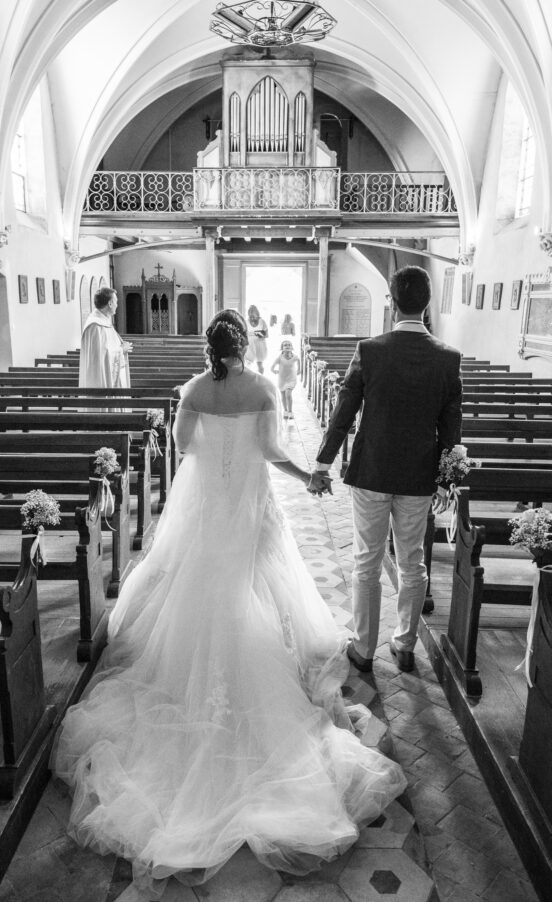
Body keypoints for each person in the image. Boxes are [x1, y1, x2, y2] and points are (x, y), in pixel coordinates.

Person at [52, 309, 406, 902]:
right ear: (243, 345)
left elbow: (185, 447)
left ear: (209, 348)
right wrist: (309, 476)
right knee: (259, 599)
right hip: (248, 516)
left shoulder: (192, 389)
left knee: (198, 602)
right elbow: (268, 451)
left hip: (207, 518)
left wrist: (206, 415)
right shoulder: (263, 387)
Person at [309, 266, 462, 674]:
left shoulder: (370, 350)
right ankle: (405, 644)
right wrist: (447, 479)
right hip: (419, 477)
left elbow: (343, 412)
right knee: (413, 564)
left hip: (373, 472)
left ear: (391, 303)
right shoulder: (448, 358)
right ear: (427, 304)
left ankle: (362, 648)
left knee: (366, 562)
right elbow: (451, 429)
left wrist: (322, 464)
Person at [79, 286, 132, 388]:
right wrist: (121, 350)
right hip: (101, 385)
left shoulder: (103, 321)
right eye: (116, 301)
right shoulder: (95, 326)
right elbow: (100, 358)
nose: (117, 305)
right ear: (110, 303)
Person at [271, 339, 300, 419]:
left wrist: (299, 369)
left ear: (292, 347)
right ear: (282, 348)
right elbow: (272, 367)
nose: (287, 346)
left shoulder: (294, 356)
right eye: (285, 345)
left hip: (291, 378)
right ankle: (285, 410)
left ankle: (290, 411)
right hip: (282, 378)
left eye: (289, 345)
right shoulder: (279, 357)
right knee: (283, 395)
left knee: (288, 394)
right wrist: (274, 370)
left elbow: (298, 361)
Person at [244, 304, 268, 373]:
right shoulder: (246, 322)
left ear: (257, 314)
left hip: (260, 344)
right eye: (250, 316)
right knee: (248, 364)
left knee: (260, 365)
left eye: (254, 316)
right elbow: (244, 334)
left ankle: (261, 378)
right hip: (250, 344)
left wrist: (253, 333)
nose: (252, 318)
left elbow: (266, 334)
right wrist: (256, 333)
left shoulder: (262, 322)